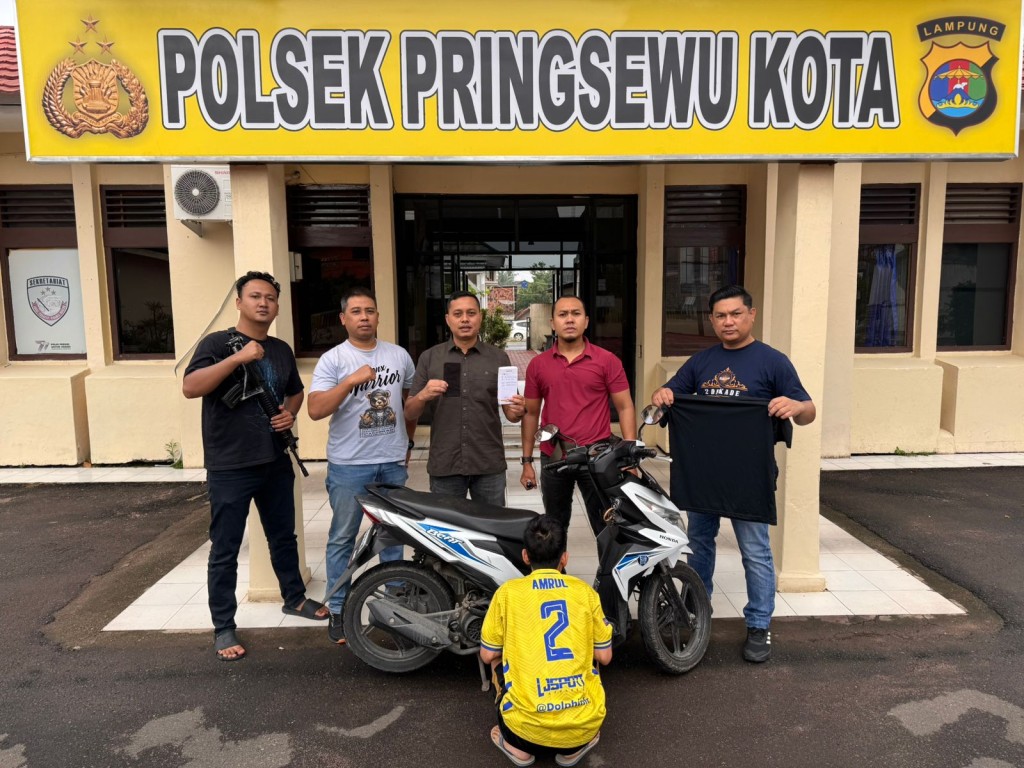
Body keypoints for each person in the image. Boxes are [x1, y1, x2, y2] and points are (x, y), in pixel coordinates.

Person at [652, 285, 816, 663]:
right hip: (704, 473)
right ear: (712, 320)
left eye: (736, 314)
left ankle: (758, 625)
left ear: (751, 315)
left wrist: (795, 406)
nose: (728, 322)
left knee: (755, 551)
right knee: (700, 545)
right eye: (721, 316)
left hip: (749, 474)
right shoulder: (700, 363)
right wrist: (662, 395)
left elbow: (808, 411)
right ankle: (696, 609)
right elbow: (667, 397)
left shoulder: (773, 362)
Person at [183, 271, 328, 662]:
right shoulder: (217, 344)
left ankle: (294, 598)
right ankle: (223, 626)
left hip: (274, 458)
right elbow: (191, 387)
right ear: (239, 302)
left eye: (270, 298)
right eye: (255, 296)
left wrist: (288, 414)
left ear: (277, 306)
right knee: (226, 547)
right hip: (230, 464)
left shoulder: (280, 349)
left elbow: (295, 393)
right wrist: (238, 358)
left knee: (283, 537)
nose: (263, 303)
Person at [307, 287, 417, 645]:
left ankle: (394, 606)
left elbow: (408, 403)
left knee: (393, 536)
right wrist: (351, 381)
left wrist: (407, 442)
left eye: (370, 310)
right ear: (343, 319)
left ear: (378, 316)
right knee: (343, 537)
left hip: (391, 461)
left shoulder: (399, 355)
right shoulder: (333, 360)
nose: (364, 317)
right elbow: (315, 409)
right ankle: (339, 608)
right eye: (356, 311)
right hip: (349, 465)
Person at [480, 515, 612, 767]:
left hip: (522, 731)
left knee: (496, 654)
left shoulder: (507, 593)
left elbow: (487, 655)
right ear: (565, 558)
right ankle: (574, 748)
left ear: (525, 556)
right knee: (594, 655)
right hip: (582, 728)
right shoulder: (585, 592)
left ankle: (517, 749)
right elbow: (605, 657)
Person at [519, 295, 637, 535]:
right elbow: (530, 414)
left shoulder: (607, 361)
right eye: (563, 315)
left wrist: (630, 457)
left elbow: (625, 407)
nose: (569, 319)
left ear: (586, 321)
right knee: (553, 528)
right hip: (554, 456)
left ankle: (606, 561)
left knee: (606, 526)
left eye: (576, 314)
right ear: (553, 323)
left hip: (598, 456)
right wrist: (527, 462)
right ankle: (558, 562)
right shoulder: (538, 365)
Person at [404, 291, 526, 506]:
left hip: (488, 463)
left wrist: (518, 410)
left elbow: (511, 414)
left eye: (471, 313)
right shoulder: (430, 358)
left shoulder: (498, 358)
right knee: (448, 526)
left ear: (480, 317)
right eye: (458, 314)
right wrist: (423, 395)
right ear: (448, 319)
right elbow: (410, 412)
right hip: (446, 463)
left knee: (491, 525)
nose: (465, 319)